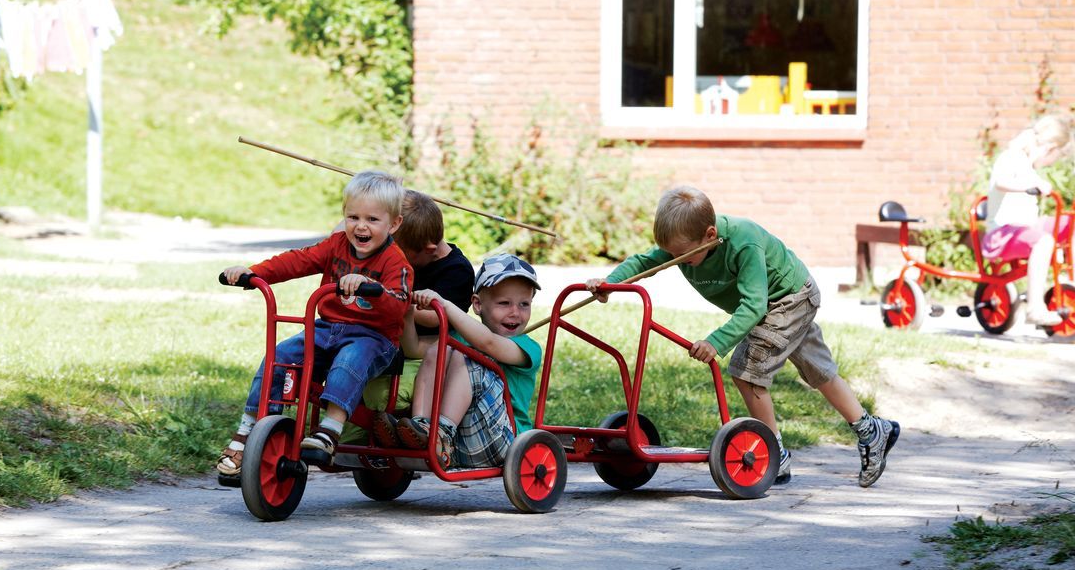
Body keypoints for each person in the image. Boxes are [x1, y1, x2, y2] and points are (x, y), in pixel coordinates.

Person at [585, 185, 899, 488]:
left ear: (709, 235)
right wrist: (610, 283)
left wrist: (716, 342)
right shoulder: (684, 244)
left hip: (789, 298)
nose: (675, 260)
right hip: (773, 303)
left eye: (682, 255)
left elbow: (753, 306)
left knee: (749, 372)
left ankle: (773, 455)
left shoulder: (743, 242)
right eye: (670, 253)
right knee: (819, 371)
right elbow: (644, 262)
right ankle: (872, 431)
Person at [216, 170, 412, 481]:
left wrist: (371, 288)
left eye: (373, 220)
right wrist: (254, 273)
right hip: (328, 328)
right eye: (353, 217)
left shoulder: (394, 261)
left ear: (394, 224)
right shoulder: (335, 245)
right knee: (279, 356)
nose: (361, 226)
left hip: (375, 338)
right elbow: (297, 260)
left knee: (351, 359)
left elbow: (399, 303)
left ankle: (330, 429)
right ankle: (249, 432)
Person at [381, 253, 543, 469]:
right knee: (439, 349)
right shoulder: (460, 340)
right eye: (504, 303)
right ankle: (422, 429)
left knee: (467, 355)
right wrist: (408, 313)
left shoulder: (527, 348)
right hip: (457, 446)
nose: (515, 313)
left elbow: (488, 343)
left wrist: (446, 307)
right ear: (477, 304)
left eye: (524, 304)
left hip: (505, 442)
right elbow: (413, 348)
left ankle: (441, 434)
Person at [343, 189, 474, 445]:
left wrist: (393, 300)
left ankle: (401, 432)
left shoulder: (457, 271)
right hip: (388, 339)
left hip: (428, 350)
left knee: (384, 393)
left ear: (429, 249)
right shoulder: (391, 252)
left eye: (399, 252)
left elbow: (437, 318)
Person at [981, 114, 1075, 327]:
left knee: (1071, 224)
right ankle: (1035, 308)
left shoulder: (1028, 166)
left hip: (1024, 229)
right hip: (1001, 235)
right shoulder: (1011, 157)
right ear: (1049, 149)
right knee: (1044, 241)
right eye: (1055, 158)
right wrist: (1027, 185)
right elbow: (1002, 182)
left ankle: (1072, 282)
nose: (1051, 163)